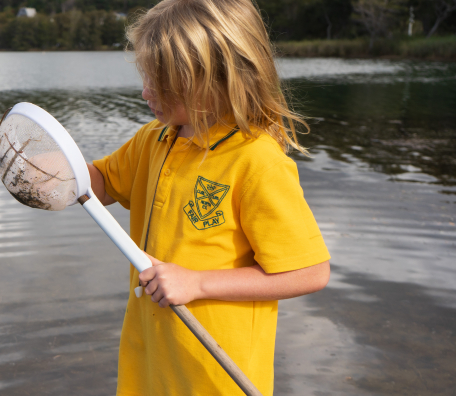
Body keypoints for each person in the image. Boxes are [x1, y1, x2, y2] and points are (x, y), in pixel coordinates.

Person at [87, 0, 332, 394]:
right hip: (152, 365)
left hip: (216, 375)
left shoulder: (255, 160)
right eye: (147, 76)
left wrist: (197, 283)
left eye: (163, 84)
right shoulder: (155, 139)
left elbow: (310, 272)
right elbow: (99, 182)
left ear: (219, 79)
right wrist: (55, 171)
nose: (146, 92)